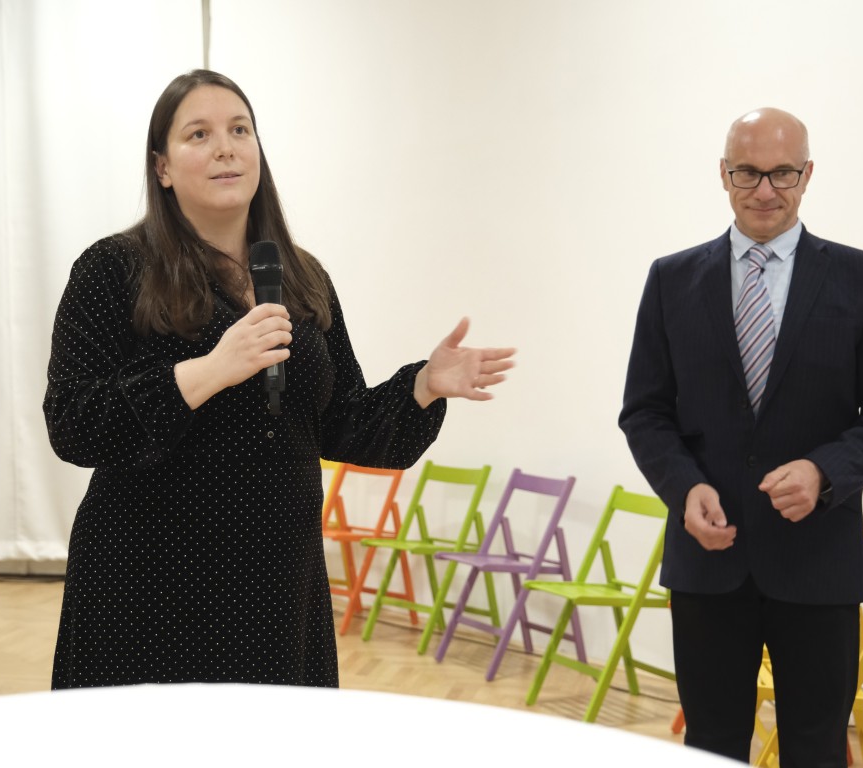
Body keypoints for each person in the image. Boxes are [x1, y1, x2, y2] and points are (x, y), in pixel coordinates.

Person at [43, 69, 514, 690]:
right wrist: (208, 371)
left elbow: (342, 423)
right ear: (162, 166)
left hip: (276, 588)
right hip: (149, 584)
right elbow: (73, 423)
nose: (225, 148)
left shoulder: (301, 275)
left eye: (240, 130)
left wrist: (423, 385)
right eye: (199, 134)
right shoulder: (113, 268)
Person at [618, 108, 863, 765]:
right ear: (723, 174)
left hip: (817, 563)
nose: (764, 190)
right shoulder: (671, 280)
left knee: (815, 748)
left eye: (782, 173)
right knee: (710, 746)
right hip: (708, 561)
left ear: (808, 174)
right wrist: (684, 486)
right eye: (747, 173)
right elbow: (644, 411)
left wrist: (824, 471)